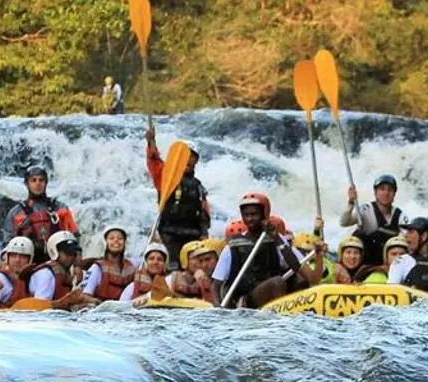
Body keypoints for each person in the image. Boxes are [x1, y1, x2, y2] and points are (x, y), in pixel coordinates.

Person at [212, 192, 321, 308]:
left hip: (272, 289)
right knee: (277, 282)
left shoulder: (277, 239)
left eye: (254, 214)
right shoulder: (232, 246)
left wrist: (276, 238)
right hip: (246, 298)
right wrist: (217, 305)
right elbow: (216, 284)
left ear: (264, 215)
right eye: (246, 215)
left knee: (300, 281)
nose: (249, 219)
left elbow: (296, 267)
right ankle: (278, 315)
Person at [145, 120, 210, 256]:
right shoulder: (165, 177)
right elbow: (154, 160)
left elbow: (204, 213)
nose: (186, 159)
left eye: (190, 156)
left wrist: (204, 234)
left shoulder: (198, 186)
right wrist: (151, 142)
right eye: (182, 155)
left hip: (193, 235)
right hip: (168, 234)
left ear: (196, 160)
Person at [5, 165, 79, 252]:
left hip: (57, 258)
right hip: (29, 258)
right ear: (26, 184)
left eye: (41, 180)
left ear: (46, 183)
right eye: (33, 180)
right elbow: (8, 244)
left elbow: (75, 236)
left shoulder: (61, 208)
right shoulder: (15, 213)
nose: (38, 183)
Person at [340, 174, 403, 269]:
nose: (386, 193)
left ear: (394, 194)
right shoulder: (365, 209)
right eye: (382, 189)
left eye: (390, 190)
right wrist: (350, 202)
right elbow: (344, 222)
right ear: (375, 192)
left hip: (386, 262)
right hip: (363, 260)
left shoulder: (400, 216)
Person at [393, 217, 428, 294]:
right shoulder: (401, 261)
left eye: (411, 232)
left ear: (424, 236)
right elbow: (391, 290)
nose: (406, 235)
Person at [83, 226, 136, 302]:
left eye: (120, 238)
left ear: (125, 243)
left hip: (124, 308)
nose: (116, 241)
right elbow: (85, 296)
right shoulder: (97, 268)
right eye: (111, 238)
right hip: (100, 308)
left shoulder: (131, 267)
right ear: (105, 243)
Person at [0, 237, 35, 308]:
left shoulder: (34, 278)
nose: (17, 260)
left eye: (23, 256)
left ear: (30, 260)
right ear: (8, 258)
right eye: (13, 255)